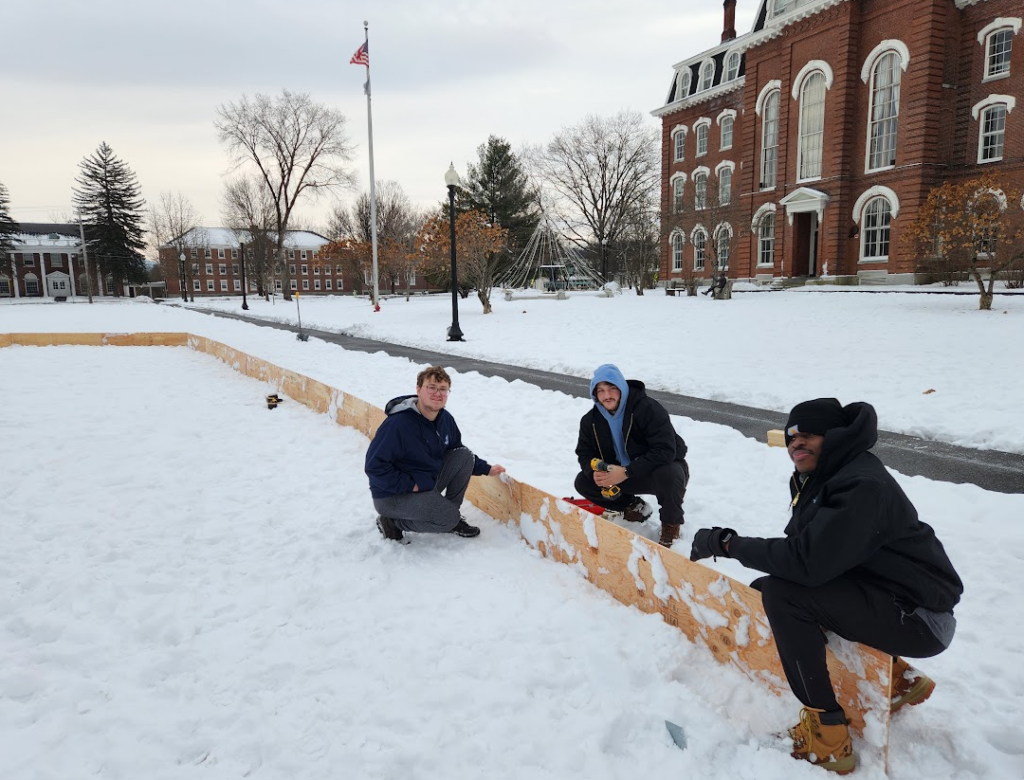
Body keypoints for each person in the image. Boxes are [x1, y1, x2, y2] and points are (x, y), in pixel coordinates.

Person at [689, 398, 963, 774]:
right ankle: (898, 681)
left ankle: (828, 737)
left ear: (834, 437)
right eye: (791, 438)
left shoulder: (861, 484)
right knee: (773, 587)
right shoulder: (825, 477)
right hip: (894, 599)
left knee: (785, 595)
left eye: (808, 435)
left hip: (921, 618)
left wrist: (727, 544)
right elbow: (807, 552)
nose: (796, 444)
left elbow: (805, 562)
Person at [365, 365, 506, 543]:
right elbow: (375, 467)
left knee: (464, 456)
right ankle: (393, 522)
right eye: (431, 387)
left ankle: (450, 517)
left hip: (424, 482)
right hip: (393, 496)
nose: (437, 393)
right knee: (447, 518)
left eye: (443, 389)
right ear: (418, 390)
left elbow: (456, 450)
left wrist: (486, 468)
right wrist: (411, 485)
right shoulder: (397, 425)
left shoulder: (445, 419)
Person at [574, 364, 689, 547]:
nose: (607, 395)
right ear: (595, 394)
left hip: (654, 471)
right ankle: (633, 507)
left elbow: (666, 450)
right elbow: (584, 453)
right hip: (620, 474)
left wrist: (627, 471)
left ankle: (670, 525)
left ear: (622, 388)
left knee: (670, 473)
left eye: (612, 388)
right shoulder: (591, 421)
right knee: (583, 481)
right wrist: (593, 470)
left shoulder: (648, 409)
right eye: (601, 390)